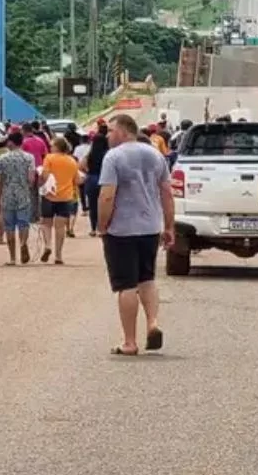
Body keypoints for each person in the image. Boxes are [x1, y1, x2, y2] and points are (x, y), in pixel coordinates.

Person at [99, 114, 173, 356]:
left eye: (110, 131)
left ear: (122, 131)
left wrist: (102, 224)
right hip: (150, 227)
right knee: (147, 279)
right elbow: (166, 193)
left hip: (122, 230)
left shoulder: (114, 156)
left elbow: (107, 195)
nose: (107, 135)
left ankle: (129, 342)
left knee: (127, 285)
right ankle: (152, 323)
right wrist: (169, 226)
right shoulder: (155, 154)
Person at [0, 131, 37, 265]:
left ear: (11, 142)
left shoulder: (3, 158)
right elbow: (31, 179)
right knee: (24, 223)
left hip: (7, 194)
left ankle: (12, 258)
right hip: (23, 193)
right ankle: (23, 243)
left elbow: (0, 180)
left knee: (9, 226)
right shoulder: (29, 158)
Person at [41, 135, 81, 264]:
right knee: (60, 227)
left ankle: (47, 245)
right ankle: (58, 255)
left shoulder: (49, 158)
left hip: (49, 195)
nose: (50, 147)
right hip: (65, 197)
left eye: (52, 145)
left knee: (46, 223)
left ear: (57, 147)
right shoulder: (72, 161)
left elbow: (45, 175)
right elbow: (77, 180)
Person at [82, 128, 109, 236]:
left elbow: (81, 165)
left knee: (93, 206)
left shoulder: (90, 154)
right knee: (105, 204)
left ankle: (93, 229)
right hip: (105, 180)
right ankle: (103, 227)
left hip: (92, 179)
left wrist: (88, 171)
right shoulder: (108, 154)